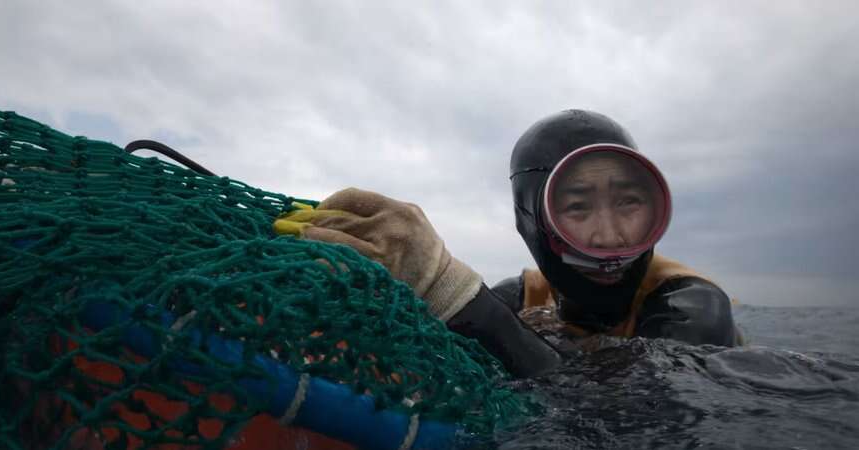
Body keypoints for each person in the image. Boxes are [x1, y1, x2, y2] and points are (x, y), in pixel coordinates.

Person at [275, 110, 740, 378]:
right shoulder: (522, 297)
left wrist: (458, 298)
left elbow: (626, 423)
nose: (611, 236)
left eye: (630, 203)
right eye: (577, 208)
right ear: (530, 221)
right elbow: (445, 362)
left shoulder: (694, 305)